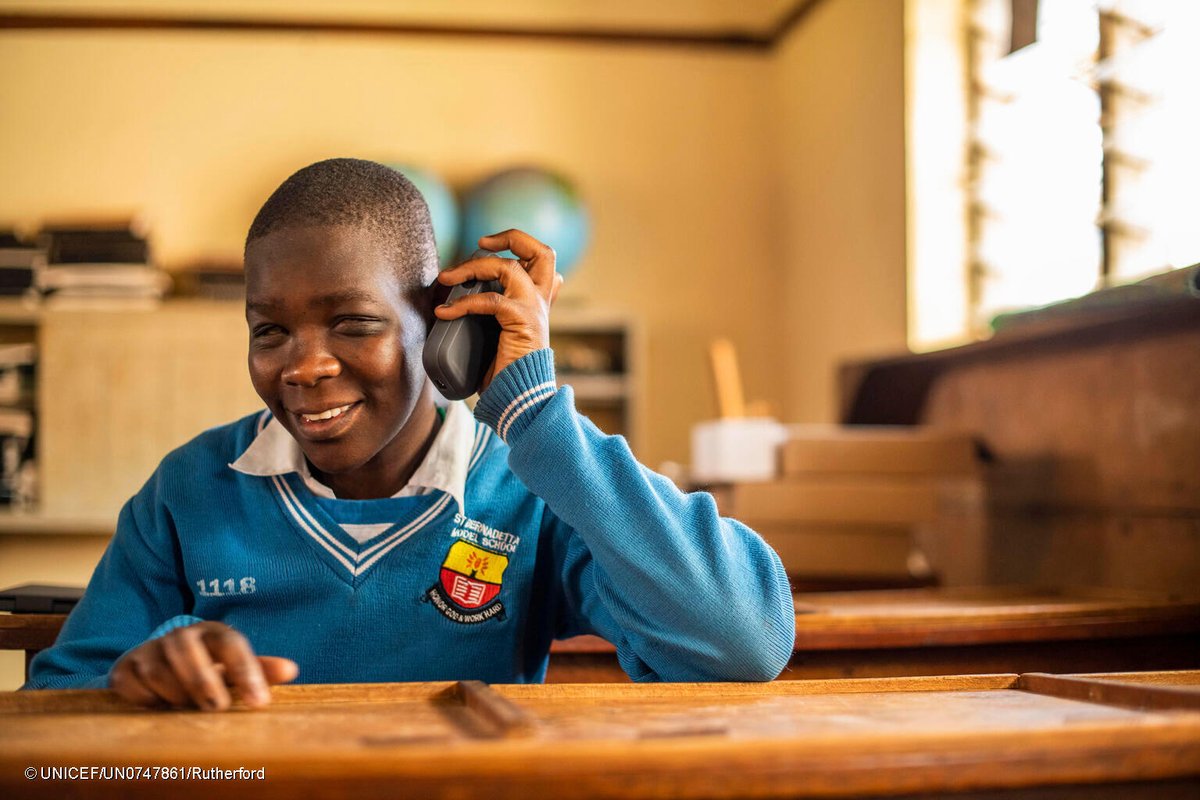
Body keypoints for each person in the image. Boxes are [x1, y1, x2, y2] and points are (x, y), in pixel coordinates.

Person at [24, 159, 795, 710]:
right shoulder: (192, 487)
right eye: (270, 331)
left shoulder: (530, 489)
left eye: (354, 323)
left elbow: (741, 641)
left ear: (442, 326)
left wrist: (536, 416)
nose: (305, 365)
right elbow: (53, 704)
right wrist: (139, 676)